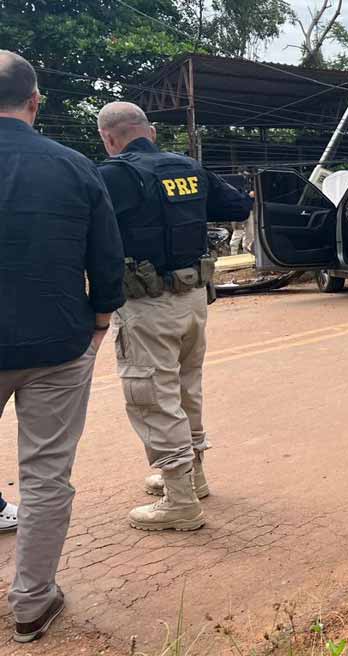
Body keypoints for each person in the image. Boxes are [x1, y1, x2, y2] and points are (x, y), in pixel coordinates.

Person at [0, 50, 126, 642]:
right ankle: (31, 602)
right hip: (56, 342)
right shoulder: (76, 167)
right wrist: (99, 322)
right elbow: (106, 257)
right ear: (35, 101)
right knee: (46, 474)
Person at [96, 102, 251, 532]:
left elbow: (83, 233)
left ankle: (179, 500)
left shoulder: (111, 176)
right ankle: (193, 476)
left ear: (109, 139)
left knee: (152, 396)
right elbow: (239, 207)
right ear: (152, 133)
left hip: (147, 306)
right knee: (186, 389)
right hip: (193, 300)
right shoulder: (189, 168)